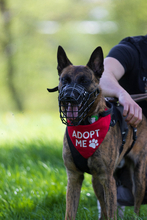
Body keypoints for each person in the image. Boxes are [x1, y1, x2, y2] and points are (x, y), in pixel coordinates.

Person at [98, 35, 147, 217]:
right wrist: (122, 94)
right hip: (127, 137)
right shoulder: (131, 49)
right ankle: (113, 204)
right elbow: (100, 77)